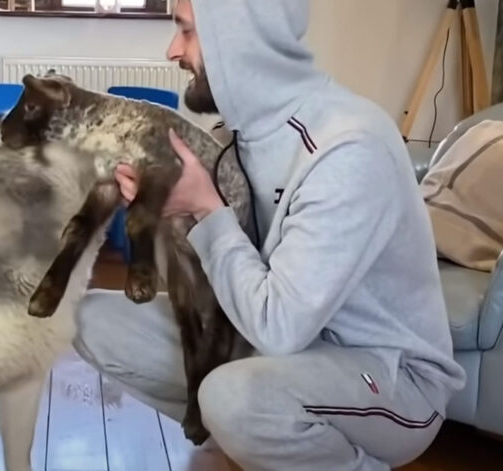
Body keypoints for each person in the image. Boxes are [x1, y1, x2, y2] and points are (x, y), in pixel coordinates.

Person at [72, 0, 467, 469]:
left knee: (233, 399)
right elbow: (222, 286)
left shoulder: (347, 148)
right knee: (89, 316)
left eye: (187, 31)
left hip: (391, 378)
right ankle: (263, 438)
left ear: (239, 39)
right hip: (277, 345)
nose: (172, 50)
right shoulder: (235, 139)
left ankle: (283, 436)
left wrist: (205, 207)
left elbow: (278, 327)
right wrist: (168, 210)